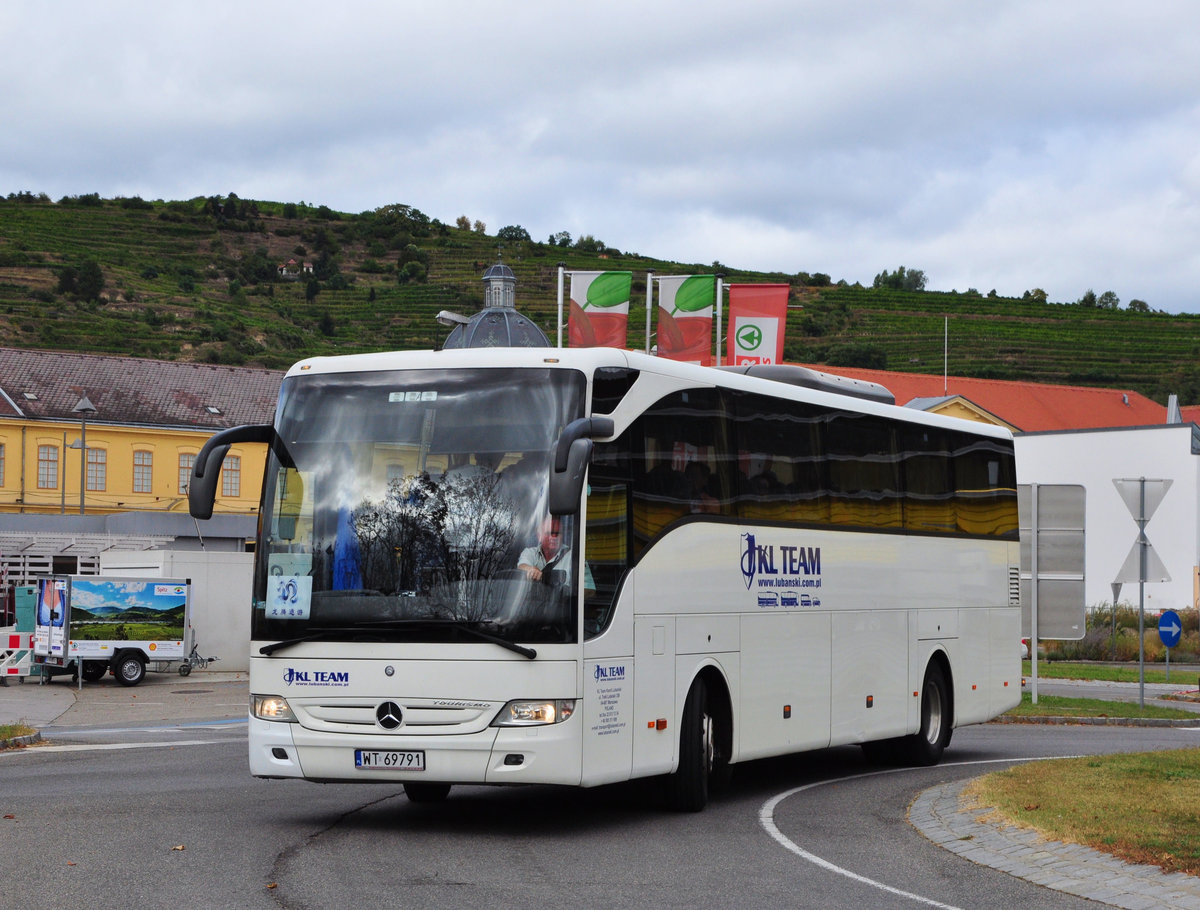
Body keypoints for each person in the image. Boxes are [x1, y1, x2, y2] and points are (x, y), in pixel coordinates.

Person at [518, 516, 595, 595]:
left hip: (561, 605)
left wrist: (567, 593)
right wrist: (530, 569)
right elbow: (522, 566)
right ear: (539, 536)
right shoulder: (530, 552)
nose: (554, 537)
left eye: (557, 533)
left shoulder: (575, 557)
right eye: (549, 533)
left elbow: (590, 591)